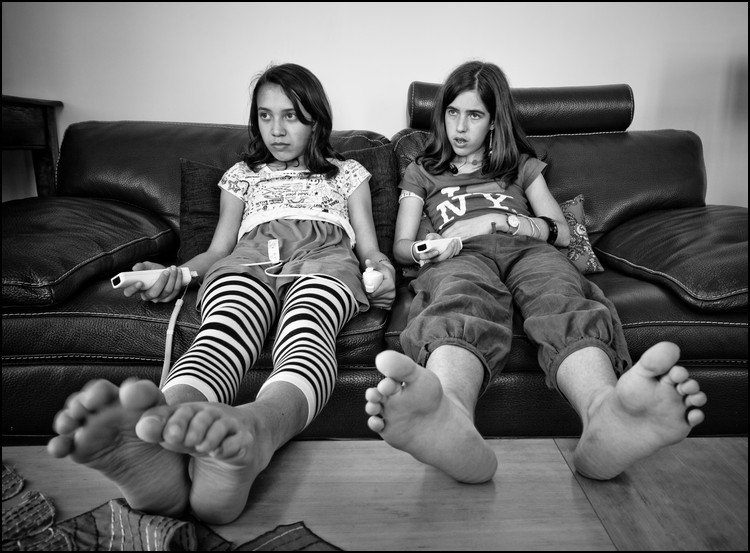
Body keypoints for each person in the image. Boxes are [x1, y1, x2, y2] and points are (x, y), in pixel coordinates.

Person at [47, 62, 396, 525]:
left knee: (308, 329)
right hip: (247, 260)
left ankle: (256, 430)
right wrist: (178, 273)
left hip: (325, 259)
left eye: (290, 115)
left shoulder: (347, 173)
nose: (276, 129)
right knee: (223, 329)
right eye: (265, 116)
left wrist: (382, 270)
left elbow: (369, 247)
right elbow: (217, 249)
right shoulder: (241, 175)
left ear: (316, 118)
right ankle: (159, 435)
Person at [364, 60, 707, 484]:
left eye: (474, 115)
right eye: (452, 112)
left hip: (528, 249)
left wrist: (497, 222)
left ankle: (605, 414)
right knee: (461, 296)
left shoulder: (520, 166)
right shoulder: (421, 171)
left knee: (560, 294)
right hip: (458, 256)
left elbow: (561, 232)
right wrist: (428, 247)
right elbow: (400, 248)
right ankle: (449, 415)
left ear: (492, 122)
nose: (460, 126)